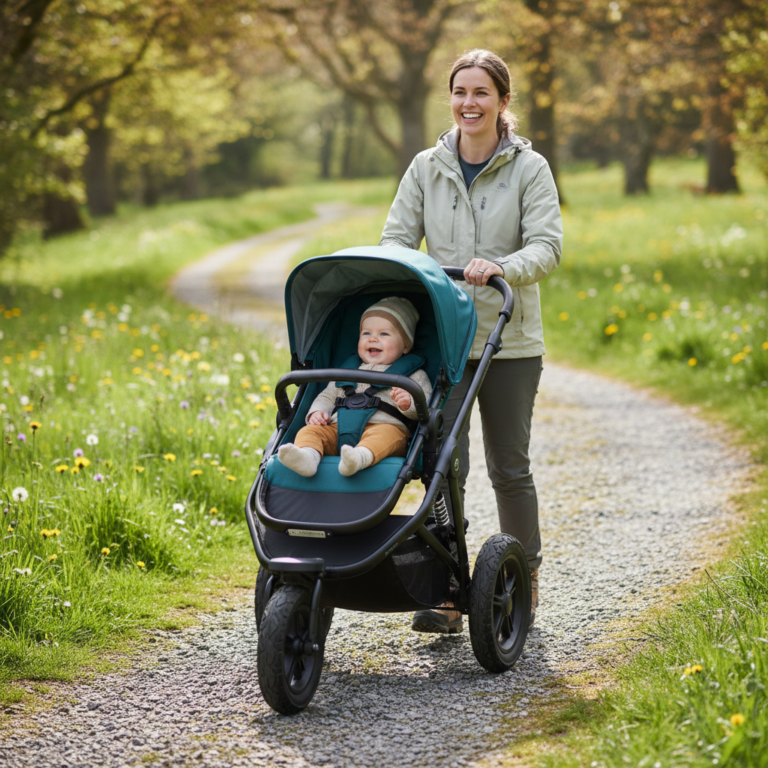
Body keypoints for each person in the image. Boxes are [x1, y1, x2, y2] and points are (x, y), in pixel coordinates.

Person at [380, 49, 563, 633]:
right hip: (448, 342)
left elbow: (548, 246)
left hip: (510, 342)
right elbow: (396, 241)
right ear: (450, 98)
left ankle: (519, 577)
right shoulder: (425, 167)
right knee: (440, 466)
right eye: (460, 92)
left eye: (481, 92)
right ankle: (445, 586)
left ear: (503, 101)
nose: (469, 103)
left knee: (508, 468)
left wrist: (502, 266)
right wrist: (406, 272)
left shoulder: (528, 169)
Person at [278, 297, 432, 478]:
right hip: (337, 428)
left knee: (387, 436)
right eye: (366, 333)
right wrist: (317, 412)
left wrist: (409, 404)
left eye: (384, 334)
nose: (373, 338)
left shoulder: (414, 375)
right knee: (309, 431)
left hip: (385, 426)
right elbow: (327, 396)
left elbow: (425, 408)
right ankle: (308, 457)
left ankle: (359, 458)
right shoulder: (347, 370)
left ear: (405, 346)